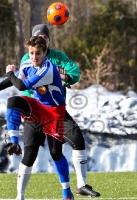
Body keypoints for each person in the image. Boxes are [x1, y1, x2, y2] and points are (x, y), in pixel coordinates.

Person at [0, 36, 74, 200]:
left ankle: (67, 193)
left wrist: (10, 73)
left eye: (38, 53)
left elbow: (21, 85)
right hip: (37, 106)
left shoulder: (47, 68)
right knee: (13, 102)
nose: (34, 57)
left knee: (56, 153)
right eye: (32, 53)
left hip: (54, 111)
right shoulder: (27, 63)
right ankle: (14, 143)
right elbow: (15, 80)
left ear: (45, 53)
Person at [20, 24, 100, 197]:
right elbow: (25, 86)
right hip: (35, 112)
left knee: (75, 140)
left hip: (55, 110)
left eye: (45, 37)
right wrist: (56, 76)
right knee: (30, 153)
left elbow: (74, 73)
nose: (42, 40)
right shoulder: (27, 59)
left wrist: (64, 77)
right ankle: (20, 195)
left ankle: (81, 185)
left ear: (49, 40)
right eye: (38, 37)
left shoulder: (58, 56)